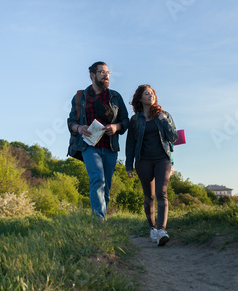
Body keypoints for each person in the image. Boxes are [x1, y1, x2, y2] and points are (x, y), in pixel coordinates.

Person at [67, 61, 129, 221]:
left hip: (110, 147)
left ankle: (102, 217)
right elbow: (71, 121)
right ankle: (98, 220)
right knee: (97, 180)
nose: (106, 75)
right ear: (92, 75)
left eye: (108, 72)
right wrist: (79, 128)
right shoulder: (81, 97)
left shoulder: (115, 97)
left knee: (106, 186)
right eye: (102, 72)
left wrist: (116, 127)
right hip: (89, 146)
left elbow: (125, 121)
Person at [125, 84, 178, 246]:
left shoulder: (165, 115)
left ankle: (162, 230)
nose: (151, 96)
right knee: (149, 196)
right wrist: (128, 165)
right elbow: (130, 144)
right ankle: (153, 229)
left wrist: (163, 120)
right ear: (140, 98)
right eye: (147, 94)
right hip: (143, 161)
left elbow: (174, 137)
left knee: (162, 193)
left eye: (153, 94)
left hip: (163, 159)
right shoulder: (135, 120)